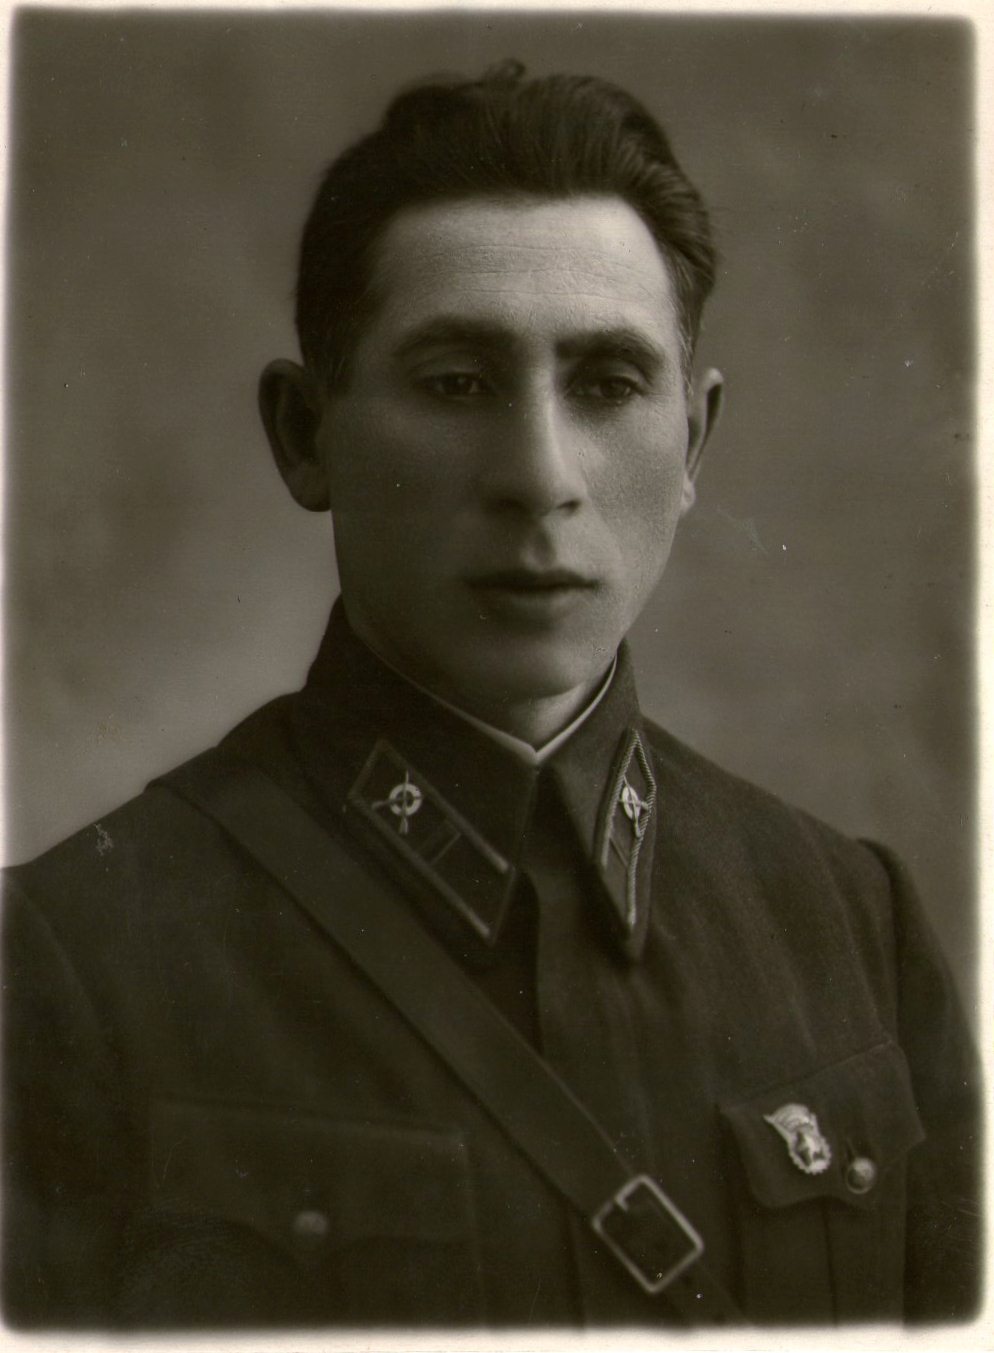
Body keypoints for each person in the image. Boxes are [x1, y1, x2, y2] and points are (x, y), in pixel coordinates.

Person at [2, 61, 981, 1330]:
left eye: (608, 384)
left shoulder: (849, 925)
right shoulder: (69, 963)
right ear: (305, 433)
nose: (539, 475)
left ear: (692, 442)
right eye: (458, 382)